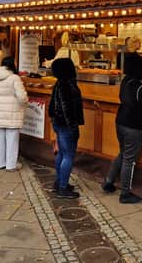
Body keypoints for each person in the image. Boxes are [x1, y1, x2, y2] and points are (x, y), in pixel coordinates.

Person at [102, 52, 142, 204]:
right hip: (134, 125)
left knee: (122, 154)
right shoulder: (139, 87)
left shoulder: (125, 81)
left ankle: (108, 182)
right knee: (129, 160)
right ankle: (125, 193)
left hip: (120, 121)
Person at [49, 58, 84, 199]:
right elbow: (68, 109)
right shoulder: (68, 86)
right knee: (68, 155)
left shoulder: (58, 84)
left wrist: (54, 119)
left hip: (58, 123)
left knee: (62, 154)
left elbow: (52, 108)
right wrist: (73, 127)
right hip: (66, 125)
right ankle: (63, 188)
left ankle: (59, 183)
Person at [0, 56, 27, 171]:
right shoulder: (15, 78)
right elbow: (22, 96)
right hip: (12, 111)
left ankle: (0, 163)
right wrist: (25, 103)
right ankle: (11, 165)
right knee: (12, 138)